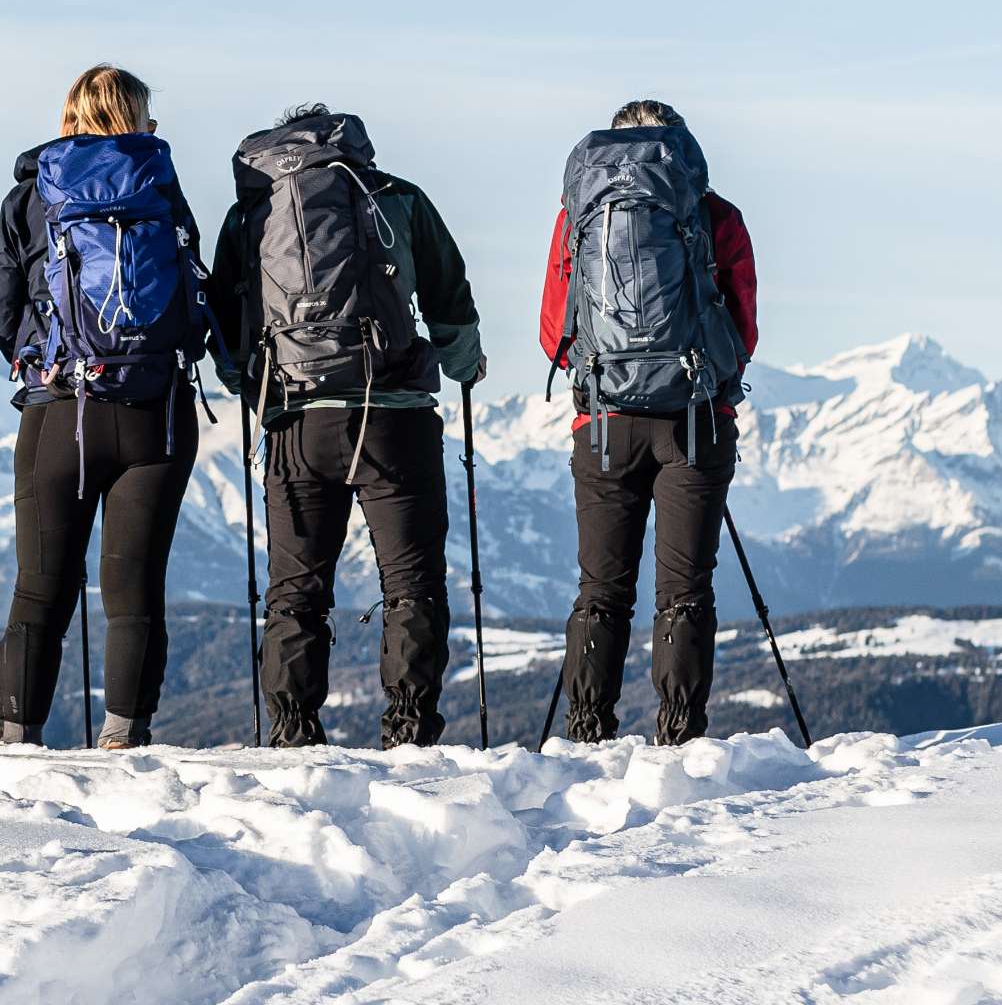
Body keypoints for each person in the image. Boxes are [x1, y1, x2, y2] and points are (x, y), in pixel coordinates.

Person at [208, 103, 485, 748]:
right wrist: (465, 366)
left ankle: (292, 730)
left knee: (296, 586)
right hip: (394, 419)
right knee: (412, 580)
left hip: (296, 419)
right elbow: (450, 298)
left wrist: (253, 389)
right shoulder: (398, 198)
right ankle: (410, 730)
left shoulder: (252, 212)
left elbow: (223, 316)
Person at [0, 64, 210, 749]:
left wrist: (35, 360)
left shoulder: (31, 195)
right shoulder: (160, 186)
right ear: (140, 118)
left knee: (42, 585)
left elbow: (2, 310)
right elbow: (195, 293)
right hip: (157, 410)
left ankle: (18, 735)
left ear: (69, 116)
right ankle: (123, 734)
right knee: (134, 584)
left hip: (60, 408)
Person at [538, 99, 759, 744]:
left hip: (605, 422)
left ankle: (586, 729)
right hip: (694, 420)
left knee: (601, 589)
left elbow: (555, 333)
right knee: (684, 587)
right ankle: (679, 731)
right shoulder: (716, 215)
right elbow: (742, 330)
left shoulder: (577, 216)